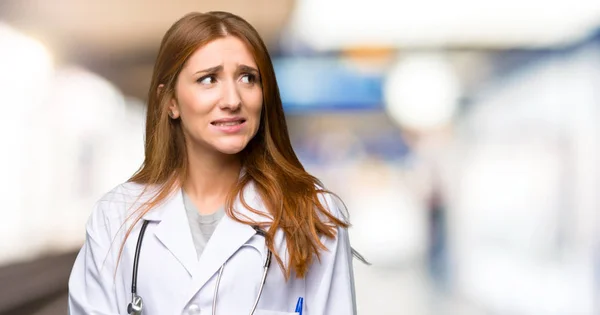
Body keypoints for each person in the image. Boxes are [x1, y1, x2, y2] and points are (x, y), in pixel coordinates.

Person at [68, 11, 357, 315]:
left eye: (248, 78)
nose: (232, 100)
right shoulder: (115, 217)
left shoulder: (314, 214)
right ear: (171, 102)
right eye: (208, 79)